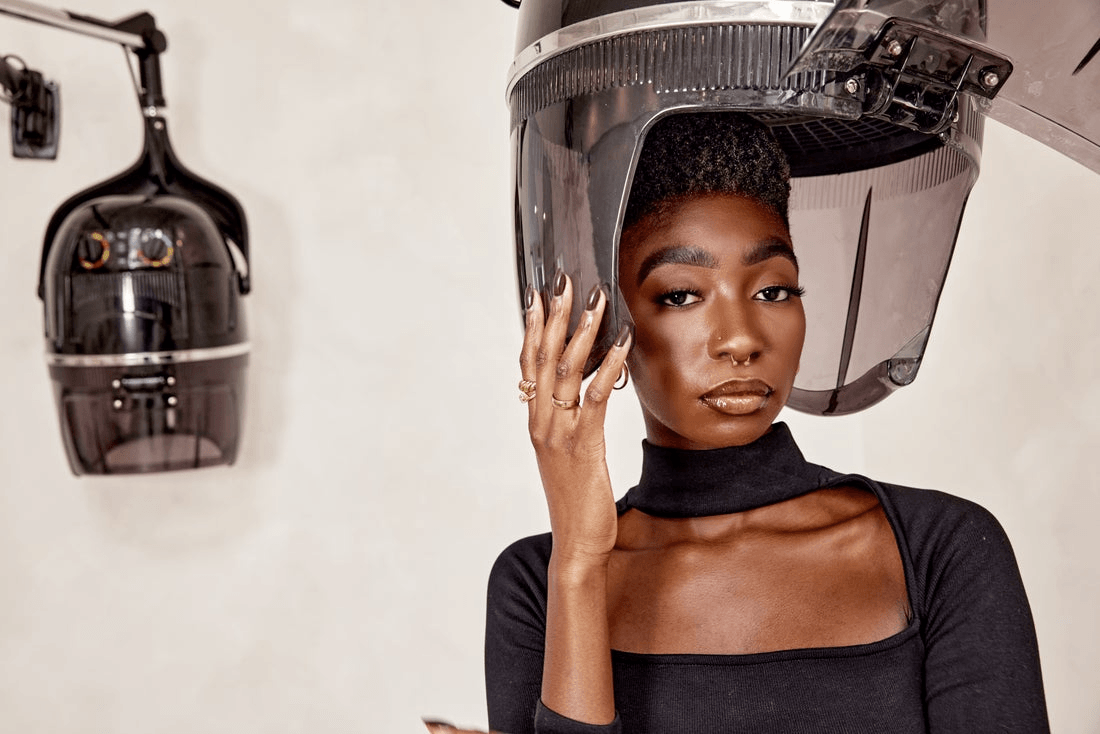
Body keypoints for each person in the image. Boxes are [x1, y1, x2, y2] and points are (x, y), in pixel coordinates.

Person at [460, 112, 1048, 733]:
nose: (741, 339)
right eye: (682, 294)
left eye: (773, 291)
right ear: (608, 323)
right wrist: (579, 562)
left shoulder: (940, 549)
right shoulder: (537, 585)